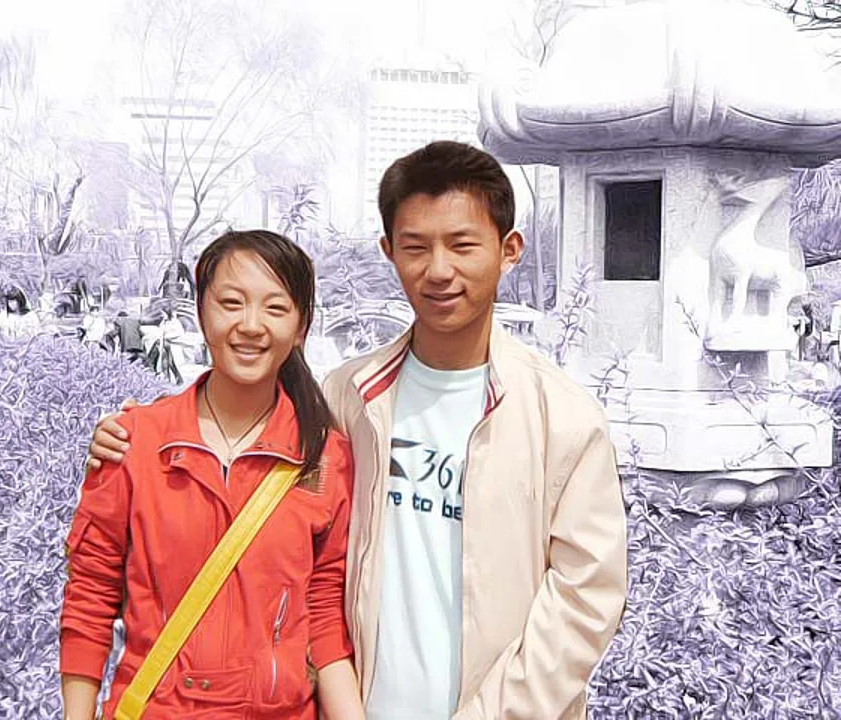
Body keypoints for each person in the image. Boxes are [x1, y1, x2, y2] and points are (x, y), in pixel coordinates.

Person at [87, 142, 628, 719]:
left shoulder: (562, 419)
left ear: (509, 250)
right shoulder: (349, 396)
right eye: (415, 247)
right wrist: (134, 436)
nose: (438, 270)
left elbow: (584, 599)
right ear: (388, 251)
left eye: (463, 245)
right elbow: (254, 489)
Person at [61, 230, 365, 720]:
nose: (251, 325)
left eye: (275, 308)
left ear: (301, 327)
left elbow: (324, 616)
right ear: (201, 313)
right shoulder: (135, 442)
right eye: (231, 303)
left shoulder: (324, 458)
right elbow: (90, 594)